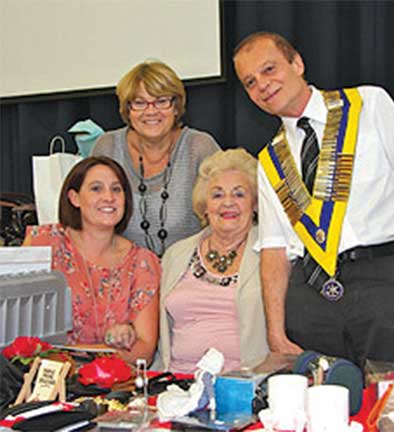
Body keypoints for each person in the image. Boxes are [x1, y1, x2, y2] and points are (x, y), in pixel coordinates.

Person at [233, 32, 394, 367]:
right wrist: (275, 332)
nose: (262, 85)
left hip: (384, 282)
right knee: (318, 411)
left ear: (297, 63)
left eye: (269, 69)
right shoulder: (270, 161)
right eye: (250, 82)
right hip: (310, 294)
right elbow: (274, 252)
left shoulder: (368, 104)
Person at [23, 156, 161, 365]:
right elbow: (18, 330)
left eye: (116, 189)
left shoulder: (142, 262)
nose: (109, 197)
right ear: (74, 198)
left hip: (114, 387)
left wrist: (73, 355)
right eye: (96, 188)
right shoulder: (43, 243)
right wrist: (107, 351)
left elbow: (144, 351)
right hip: (43, 380)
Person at [154, 149, 268, 373]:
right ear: (204, 206)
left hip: (243, 384)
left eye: (239, 194)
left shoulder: (269, 253)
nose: (228, 203)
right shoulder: (175, 255)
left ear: (255, 203)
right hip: (177, 381)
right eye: (217, 195)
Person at [92, 60, 220, 257]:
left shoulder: (200, 147)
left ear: (176, 107)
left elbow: (225, 216)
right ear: (128, 110)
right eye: (140, 103)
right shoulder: (107, 147)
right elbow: (92, 221)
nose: (151, 111)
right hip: (125, 271)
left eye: (161, 101)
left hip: (190, 271)